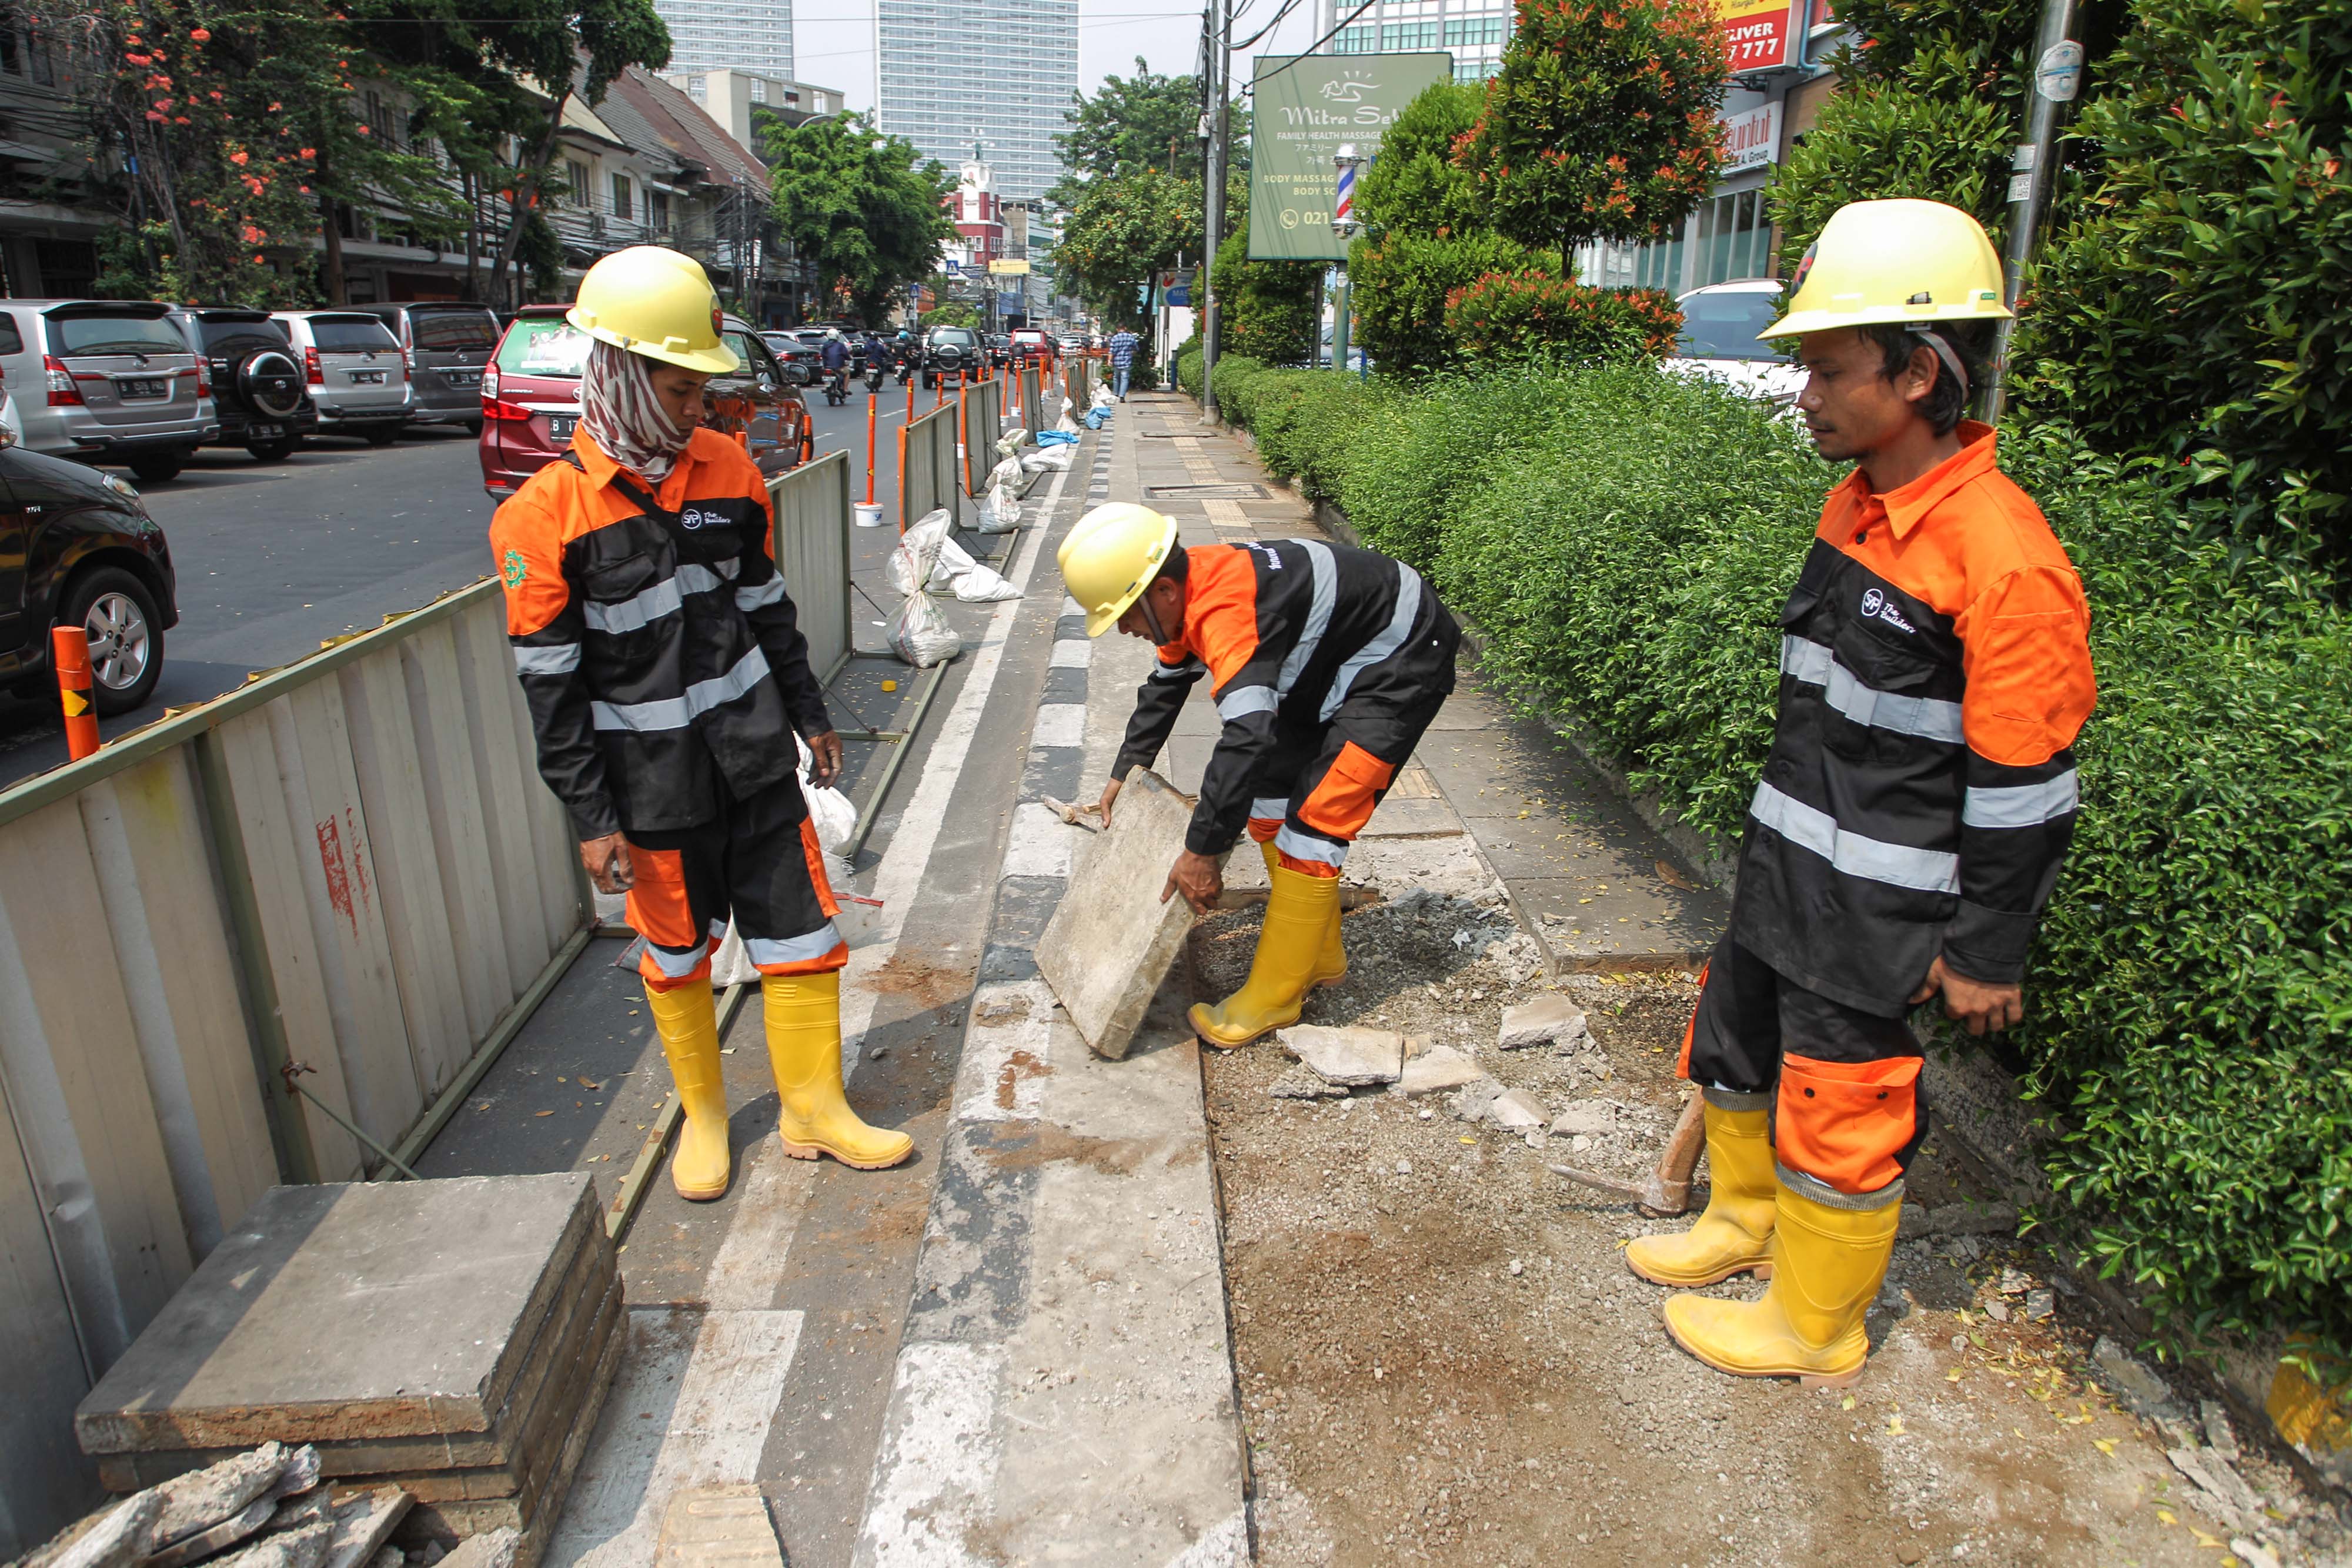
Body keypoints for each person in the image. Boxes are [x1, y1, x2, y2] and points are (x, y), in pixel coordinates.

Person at [1631, 199, 2095, 1387]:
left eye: (1828, 369)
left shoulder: (2001, 558)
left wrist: (1986, 950)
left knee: (1839, 1100)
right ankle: (1741, 1219)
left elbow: (2024, 786)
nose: (1804, 393)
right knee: (1730, 1045)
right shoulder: (1857, 506)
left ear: (1917, 371)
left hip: (1871, 910)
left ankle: (1815, 1321)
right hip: (1783, 873)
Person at [489, 247, 913, 1202]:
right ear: (626, 377)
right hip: (650, 795)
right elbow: (551, 695)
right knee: (677, 955)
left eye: (701, 392)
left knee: (803, 934)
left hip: (756, 763)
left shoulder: (728, 469)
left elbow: (768, 609)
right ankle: (709, 1118)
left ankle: (814, 1109)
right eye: (682, 391)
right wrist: (592, 819)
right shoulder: (542, 518)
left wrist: (810, 714)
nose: (699, 411)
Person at [1064, 504, 1462, 1048]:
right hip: (1333, 655)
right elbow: (1166, 682)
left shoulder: (1224, 612)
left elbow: (1246, 736)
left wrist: (1201, 851)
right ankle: (1318, 955)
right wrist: (1126, 770)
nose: (1127, 630)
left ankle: (1276, 996)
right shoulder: (1185, 588)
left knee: (1317, 822)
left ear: (1163, 591)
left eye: (1126, 615)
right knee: (1270, 807)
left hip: (1403, 656)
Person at [1107, 326, 1140, 401]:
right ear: (1125, 328)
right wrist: (1131, 353)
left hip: (1117, 362)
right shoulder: (1131, 337)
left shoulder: (1115, 338)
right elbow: (1136, 349)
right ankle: (1122, 396)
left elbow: (1111, 351)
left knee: (1116, 378)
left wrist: (1110, 360)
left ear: (1117, 329)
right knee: (1125, 379)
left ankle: (1115, 394)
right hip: (1127, 361)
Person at [820, 328, 849, 399]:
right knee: (847, 373)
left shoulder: (825, 345)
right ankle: (845, 389)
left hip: (827, 367)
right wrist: (849, 358)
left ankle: (826, 386)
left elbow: (822, 355)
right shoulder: (840, 345)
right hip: (838, 368)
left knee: (824, 374)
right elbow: (846, 355)